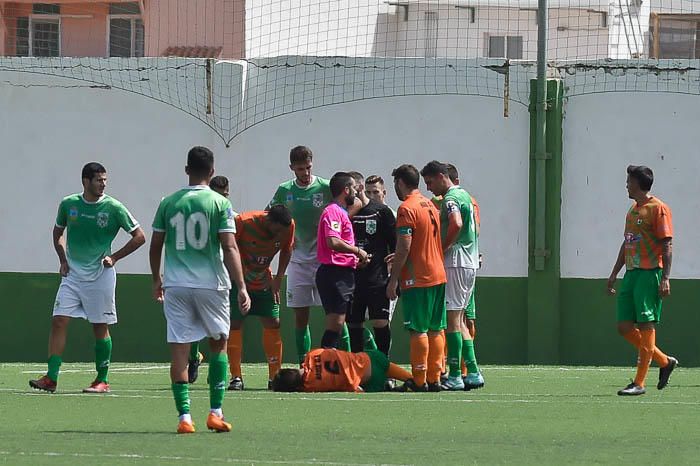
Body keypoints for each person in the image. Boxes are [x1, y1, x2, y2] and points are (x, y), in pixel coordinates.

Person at [149, 146, 251, 434]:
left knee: (180, 350)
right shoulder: (220, 203)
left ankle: (184, 419)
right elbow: (229, 246)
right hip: (212, 285)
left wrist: (155, 279)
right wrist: (241, 286)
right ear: (212, 171)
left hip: (176, 285)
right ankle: (215, 413)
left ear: (186, 170)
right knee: (218, 344)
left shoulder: (168, 202)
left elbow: (156, 244)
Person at [29, 162, 145, 394]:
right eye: (98, 180)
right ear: (85, 181)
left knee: (99, 326)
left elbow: (139, 236)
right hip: (72, 275)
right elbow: (58, 232)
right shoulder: (69, 204)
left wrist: (115, 257)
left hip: (100, 275)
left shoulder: (114, 207)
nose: (103, 184)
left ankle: (102, 380)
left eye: (105, 180)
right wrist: (62, 259)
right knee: (59, 320)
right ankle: (51, 378)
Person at [607, 165, 678, 396]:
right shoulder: (632, 210)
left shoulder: (659, 208)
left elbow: (667, 244)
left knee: (646, 325)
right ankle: (664, 361)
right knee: (624, 327)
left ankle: (639, 383)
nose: (626, 184)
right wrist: (615, 272)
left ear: (638, 182)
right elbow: (627, 242)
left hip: (649, 274)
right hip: (631, 274)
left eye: (629, 180)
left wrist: (665, 277)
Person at [421, 161, 483, 391]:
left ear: (440, 177)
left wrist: (441, 247)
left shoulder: (450, 199)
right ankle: (473, 371)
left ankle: (456, 374)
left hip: (456, 262)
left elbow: (455, 223)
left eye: (429, 182)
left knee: (452, 320)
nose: (428, 188)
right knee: (459, 320)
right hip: (469, 262)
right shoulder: (466, 195)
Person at [268, 146, 333, 364]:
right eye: (299, 169)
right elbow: (270, 217)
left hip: (325, 261)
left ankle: (342, 361)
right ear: (291, 168)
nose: (305, 173)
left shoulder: (325, 187)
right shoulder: (284, 190)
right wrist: (284, 236)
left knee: (335, 314)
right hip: (297, 261)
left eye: (308, 168)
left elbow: (344, 213)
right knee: (300, 317)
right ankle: (303, 364)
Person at [387, 164, 447, 392]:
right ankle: (435, 378)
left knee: (418, 329)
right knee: (436, 328)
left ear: (400, 183)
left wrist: (393, 280)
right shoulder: (430, 205)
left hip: (418, 277)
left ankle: (419, 380)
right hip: (438, 273)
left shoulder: (406, 208)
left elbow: (404, 246)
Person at [227, 206, 294, 391]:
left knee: (274, 322)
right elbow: (228, 248)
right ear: (268, 221)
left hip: (264, 280)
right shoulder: (244, 222)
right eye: (278, 230)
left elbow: (287, 250)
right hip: (239, 280)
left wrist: (278, 279)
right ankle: (236, 377)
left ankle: (275, 377)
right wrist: (239, 283)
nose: (280, 234)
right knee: (235, 323)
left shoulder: (289, 226)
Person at [315, 172, 369, 349]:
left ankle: (328, 363)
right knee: (335, 324)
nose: (356, 191)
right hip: (334, 273)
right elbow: (333, 241)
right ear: (346, 190)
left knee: (338, 323)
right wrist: (358, 251)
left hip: (342, 271)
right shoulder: (333, 212)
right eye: (353, 187)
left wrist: (354, 259)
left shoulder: (341, 212)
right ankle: (323, 365)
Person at [346, 172, 396, 357]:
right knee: (353, 324)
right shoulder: (346, 213)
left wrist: (393, 277)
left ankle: (384, 368)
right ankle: (358, 372)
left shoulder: (381, 212)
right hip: (352, 280)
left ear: (356, 188)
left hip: (377, 279)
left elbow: (396, 246)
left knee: (380, 323)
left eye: (349, 188)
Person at [188, 175, 231, 384]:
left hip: (219, 278)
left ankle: (218, 376)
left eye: (226, 194)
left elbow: (233, 246)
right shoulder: (197, 216)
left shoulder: (230, 215)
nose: (224, 198)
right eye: (220, 194)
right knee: (195, 322)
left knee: (219, 332)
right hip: (194, 276)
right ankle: (194, 356)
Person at [270, 348, 412, 393]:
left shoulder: (311, 385)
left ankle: (388, 387)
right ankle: (415, 380)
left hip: (370, 380)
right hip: (373, 357)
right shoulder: (312, 354)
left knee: (374, 387)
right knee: (412, 379)